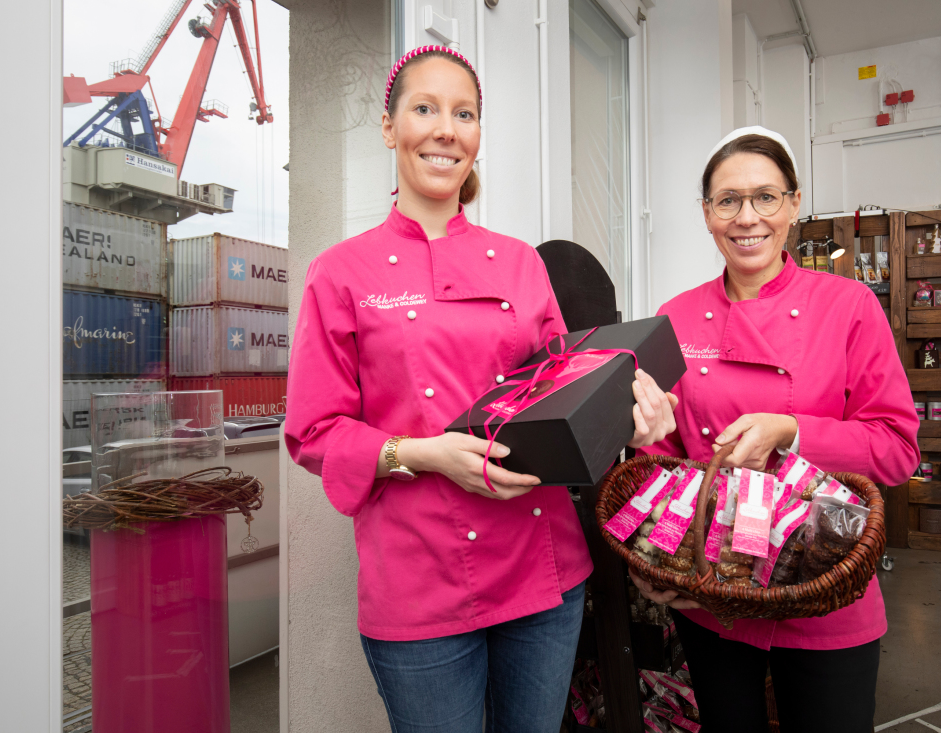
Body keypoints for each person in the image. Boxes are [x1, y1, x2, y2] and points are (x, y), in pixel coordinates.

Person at [284, 46, 677, 733]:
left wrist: (631, 418)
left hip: (541, 569)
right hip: (417, 585)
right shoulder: (340, 273)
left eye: (464, 113)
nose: (447, 129)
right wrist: (424, 453)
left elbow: (565, 392)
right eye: (425, 109)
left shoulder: (522, 264)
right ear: (388, 128)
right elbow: (315, 432)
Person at [630, 126, 920, 732]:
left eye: (765, 197)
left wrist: (792, 431)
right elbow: (657, 464)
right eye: (728, 200)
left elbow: (896, 450)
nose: (747, 217)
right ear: (707, 215)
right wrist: (652, 559)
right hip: (715, 596)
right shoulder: (676, 317)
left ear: (793, 204)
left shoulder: (848, 307)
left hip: (826, 590)